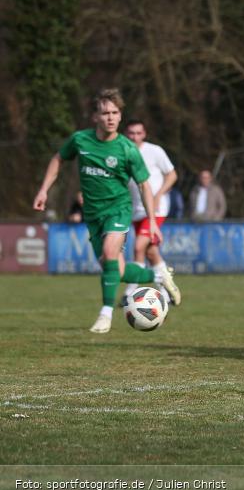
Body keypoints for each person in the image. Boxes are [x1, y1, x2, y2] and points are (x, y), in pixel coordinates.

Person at [32, 88, 180, 333]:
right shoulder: (81, 140)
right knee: (114, 268)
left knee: (111, 253)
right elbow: (58, 158)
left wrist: (152, 220)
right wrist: (44, 190)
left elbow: (144, 184)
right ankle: (158, 277)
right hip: (93, 214)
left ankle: (106, 313)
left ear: (120, 116)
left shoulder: (127, 149)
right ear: (95, 117)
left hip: (119, 210)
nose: (110, 117)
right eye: (105, 113)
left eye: (115, 112)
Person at [123, 119, 181, 305]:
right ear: (126, 134)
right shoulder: (122, 151)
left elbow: (172, 175)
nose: (135, 137)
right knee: (151, 252)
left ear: (144, 134)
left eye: (138, 133)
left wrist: (158, 195)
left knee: (139, 247)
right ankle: (166, 291)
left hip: (156, 210)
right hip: (136, 210)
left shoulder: (154, 151)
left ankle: (130, 292)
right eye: (131, 133)